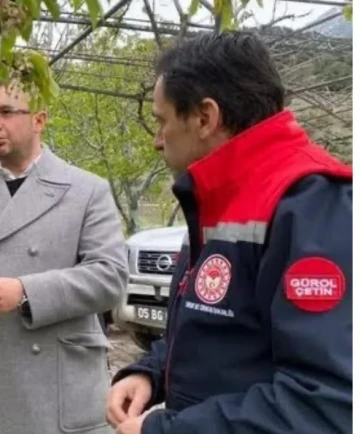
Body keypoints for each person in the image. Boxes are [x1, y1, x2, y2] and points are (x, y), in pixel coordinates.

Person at [106, 32, 352, 434]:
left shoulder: (312, 204)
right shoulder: (216, 198)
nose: (156, 141)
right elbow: (217, 333)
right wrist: (150, 372)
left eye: (161, 121)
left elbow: (328, 403)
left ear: (205, 117)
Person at [0, 79, 129, 434]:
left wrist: (25, 292)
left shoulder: (87, 191)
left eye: (6, 112)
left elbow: (110, 278)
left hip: (59, 392)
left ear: (39, 120)